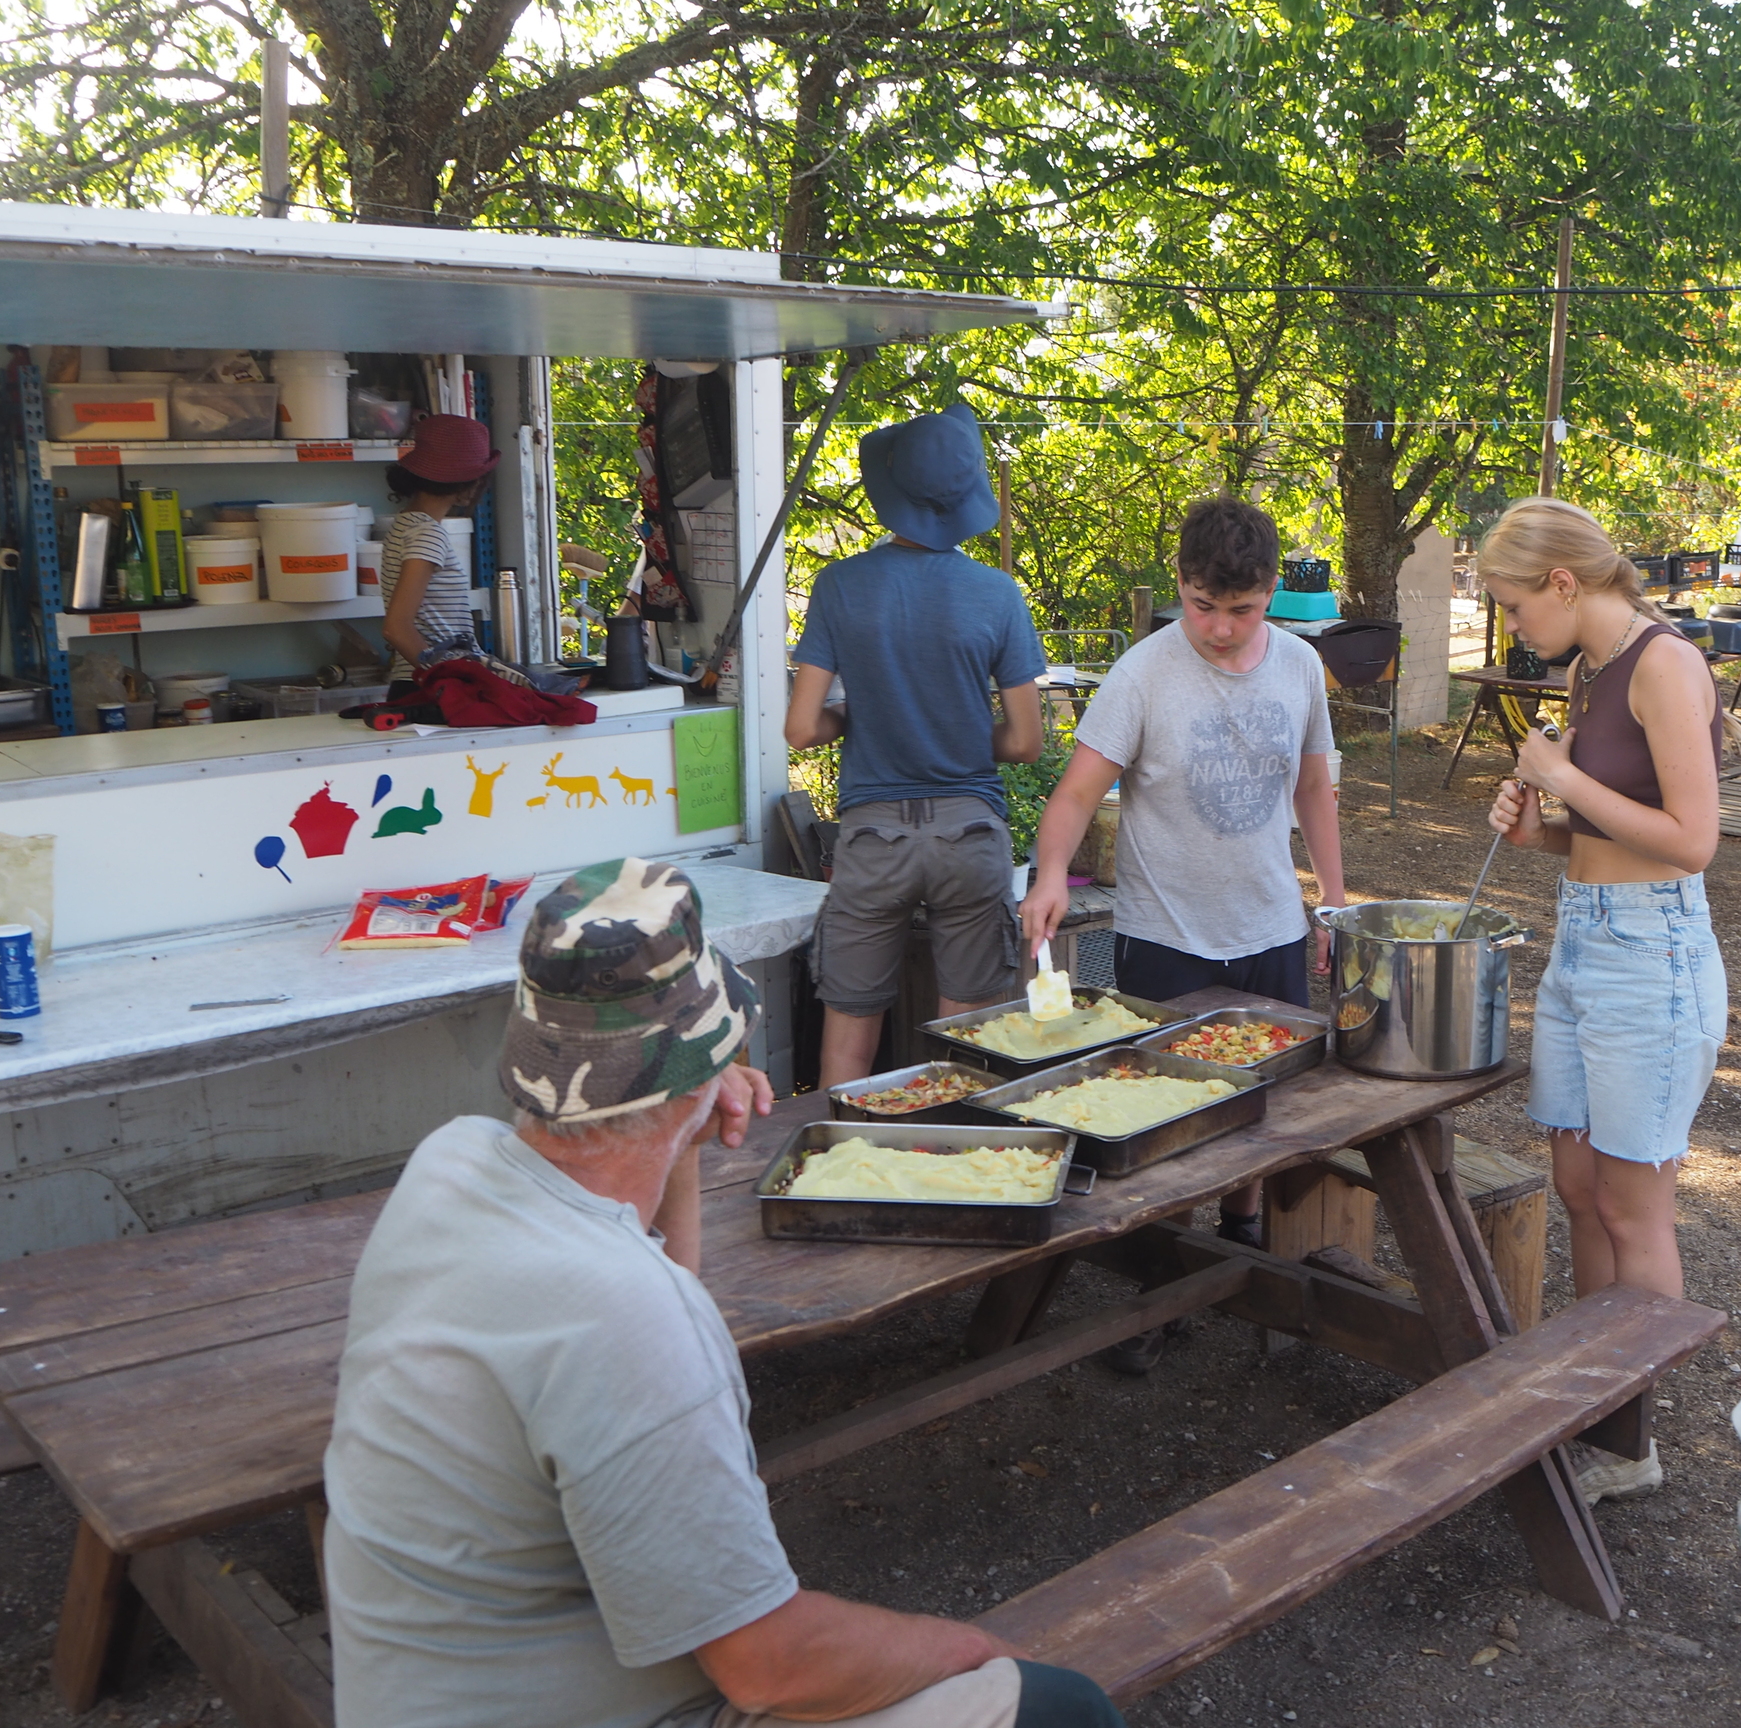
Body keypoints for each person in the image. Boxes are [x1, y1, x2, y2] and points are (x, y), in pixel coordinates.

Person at [324, 856, 1126, 1728]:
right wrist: (974, 1647)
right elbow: (765, 1666)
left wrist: (684, 1139)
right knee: (1059, 1706)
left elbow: (656, 1297)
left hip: (426, 1687)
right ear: (695, 1069)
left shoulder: (451, 1161)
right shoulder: (624, 1316)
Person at [1020, 496, 1345, 1369]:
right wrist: (1050, 875)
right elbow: (1079, 792)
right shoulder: (1144, 671)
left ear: (1272, 592)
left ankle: (1244, 1247)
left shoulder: (1304, 668)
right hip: (1165, 935)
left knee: (1267, 1113)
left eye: (1242, 610)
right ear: (1180, 587)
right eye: (1204, 605)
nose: (1222, 629)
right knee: (1160, 1117)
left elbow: (1316, 789)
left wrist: (1336, 900)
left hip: (1270, 924)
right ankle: (1161, 1288)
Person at [1478, 497, 1727, 1504]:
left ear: (1563, 584)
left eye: (1511, 607)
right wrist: (1535, 818)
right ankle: (1593, 1403)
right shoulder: (1589, 671)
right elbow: (1595, 839)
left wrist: (1564, 783)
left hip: (1652, 956)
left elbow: (1694, 838)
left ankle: (1631, 1444)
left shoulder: (1667, 664)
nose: (1510, 630)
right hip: (1584, 941)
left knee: (1632, 1205)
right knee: (1577, 1188)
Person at [786, 402, 1047, 1088]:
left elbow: (802, 727)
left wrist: (857, 719)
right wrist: (962, 733)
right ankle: (956, 1176)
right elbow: (1025, 742)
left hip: (873, 842)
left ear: (890, 494)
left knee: (848, 1047)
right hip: (970, 837)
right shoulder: (998, 595)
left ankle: (841, 1178)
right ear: (967, 500)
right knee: (963, 1046)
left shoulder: (839, 586)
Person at [379, 413, 495, 693]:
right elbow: (396, 627)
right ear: (468, 484)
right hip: (425, 687)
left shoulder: (404, 525)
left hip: (417, 683)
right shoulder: (427, 534)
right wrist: (447, 681)